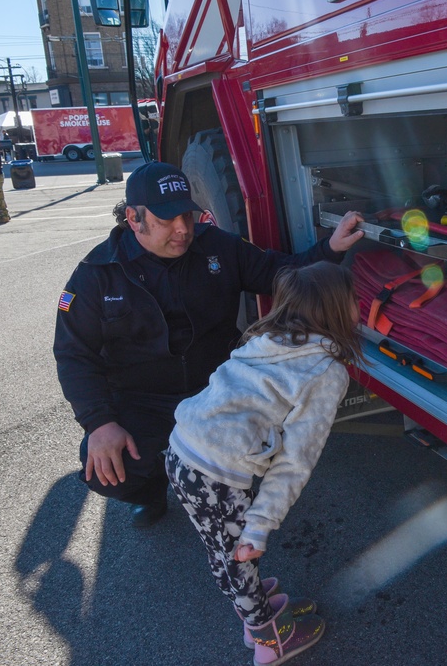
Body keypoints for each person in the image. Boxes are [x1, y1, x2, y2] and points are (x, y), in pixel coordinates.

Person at [53, 161, 365, 527]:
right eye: (167, 220)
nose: (183, 229)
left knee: (268, 444)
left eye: (187, 214)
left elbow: (281, 272)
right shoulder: (95, 276)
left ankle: (227, 487)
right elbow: (74, 354)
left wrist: (330, 248)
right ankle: (152, 489)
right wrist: (99, 423)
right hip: (143, 398)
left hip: (217, 388)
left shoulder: (219, 247)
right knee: (106, 470)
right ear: (134, 218)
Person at [166, 261, 362, 665]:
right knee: (241, 555)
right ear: (337, 310)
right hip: (215, 472)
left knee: (220, 550)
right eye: (355, 299)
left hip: (181, 448)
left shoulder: (270, 337)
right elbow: (296, 459)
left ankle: (253, 607)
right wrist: (260, 525)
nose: (360, 306)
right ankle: (268, 640)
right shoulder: (326, 370)